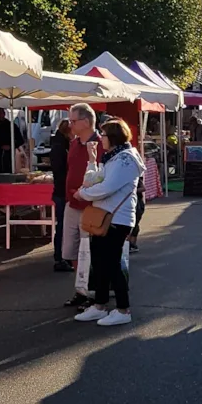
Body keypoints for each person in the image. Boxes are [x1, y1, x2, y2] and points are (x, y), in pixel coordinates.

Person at [74, 118, 146, 327]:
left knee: (112, 263)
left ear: (112, 136)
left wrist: (83, 194)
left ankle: (123, 309)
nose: (100, 138)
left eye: (103, 134)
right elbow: (92, 179)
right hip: (104, 216)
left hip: (117, 218)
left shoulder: (125, 159)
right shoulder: (112, 157)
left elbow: (107, 187)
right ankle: (100, 305)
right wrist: (91, 159)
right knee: (99, 262)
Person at [61, 104, 100, 308]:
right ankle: (81, 289)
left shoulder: (100, 144)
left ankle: (94, 293)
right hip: (72, 203)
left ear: (86, 122)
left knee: (90, 251)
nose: (70, 125)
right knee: (73, 250)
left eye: (73, 121)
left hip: (91, 207)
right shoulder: (75, 143)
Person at [49, 119, 72, 272]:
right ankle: (60, 258)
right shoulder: (60, 147)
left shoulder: (60, 144)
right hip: (62, 191)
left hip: (61, 190)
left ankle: (62, 257)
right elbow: (60, 169)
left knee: (64, 225)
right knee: (63, 226)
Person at [0, 107, 25, 179]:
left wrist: (11, 146)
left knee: (7, 175)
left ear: (4, 114)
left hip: (8, 157)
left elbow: (20, 140)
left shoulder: (11, 126)